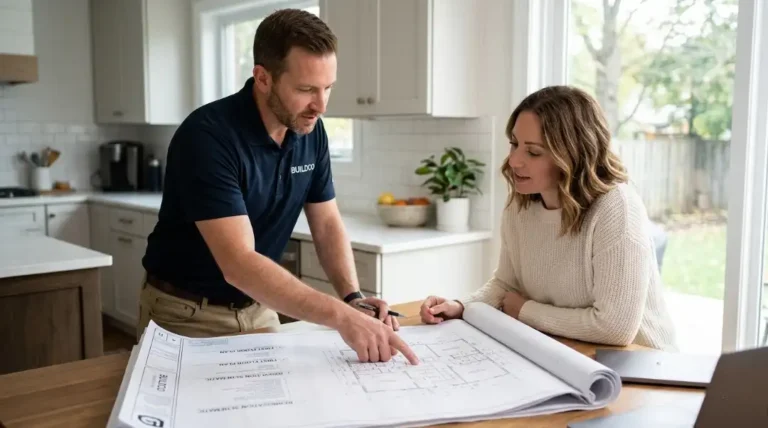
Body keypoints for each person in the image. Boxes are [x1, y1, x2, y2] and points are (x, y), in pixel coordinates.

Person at [137, 8, 418, 365]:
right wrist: (340, 317)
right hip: (186, 314)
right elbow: (238, 263)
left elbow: (327, 222)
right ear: (263, 77)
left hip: (258, 307)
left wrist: (352, 298)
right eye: (306, 89)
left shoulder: (309, 130)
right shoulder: (207, 137)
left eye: (327, 87)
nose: (321, 105)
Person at [420, 86, 678, 351]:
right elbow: (506, 284)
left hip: (645, 366)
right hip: (568, 353)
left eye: (533, 152)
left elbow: (615, 328)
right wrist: (462, 307)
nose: (514, 161)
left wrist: (525, 311)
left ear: (573, 154)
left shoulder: (616, 207)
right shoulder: (520, 206)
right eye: (515, 144)